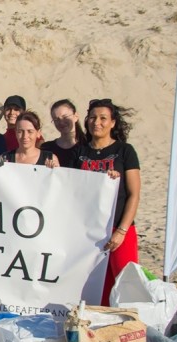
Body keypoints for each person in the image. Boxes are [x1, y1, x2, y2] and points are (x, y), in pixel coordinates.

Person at [75, 98, 140, 305]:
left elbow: (134, 194)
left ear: (113, 122)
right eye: (93, 118)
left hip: (119, 229)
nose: (97, 122)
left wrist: (121, 231)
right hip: (90, 231)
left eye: (103, 118)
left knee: (125, 285)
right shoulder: (79, 153)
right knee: (96, 287)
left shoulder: (125, 151)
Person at [41, 99, 86, 169]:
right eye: (56, 119)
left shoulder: (88, 146)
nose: (61, 122)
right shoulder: (46, 148)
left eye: (65, 117)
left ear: (76, 116)